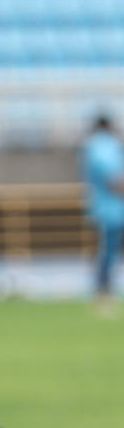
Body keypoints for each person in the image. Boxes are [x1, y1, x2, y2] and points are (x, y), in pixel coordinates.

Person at [80, 114, 124, 309]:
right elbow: (114, 179)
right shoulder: (103, 146)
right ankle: (103, 293)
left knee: (107, 253)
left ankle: (103, 292)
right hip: (112, 209)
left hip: (106, 208)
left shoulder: (93, 146)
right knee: (107, 253)